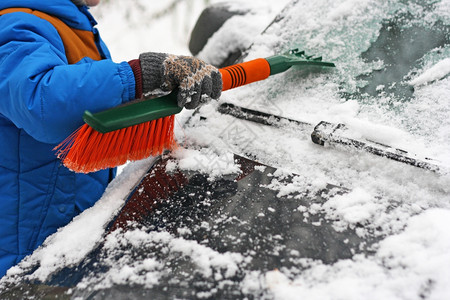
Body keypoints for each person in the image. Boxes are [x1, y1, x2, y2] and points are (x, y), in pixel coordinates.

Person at [0, 0, 222, 277]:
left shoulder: (69, 24)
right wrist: (136, 77)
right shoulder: (15, 24)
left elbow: (89, 107)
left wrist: (142, 93)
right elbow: (40, 101)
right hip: (25, 254)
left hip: (68, 236)